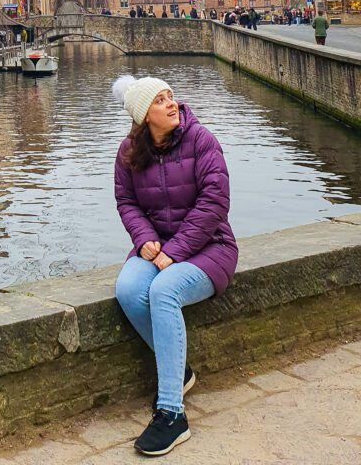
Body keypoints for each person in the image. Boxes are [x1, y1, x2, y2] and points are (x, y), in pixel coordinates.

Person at [112, 75, 238, 456]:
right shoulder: (128, 152)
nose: (172, 104)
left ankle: (172, 413)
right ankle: (178, 371)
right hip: (158, 248)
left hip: (210, 247)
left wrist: (175, 251)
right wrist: (144, 237)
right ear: (143, 117)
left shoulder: (202, 140)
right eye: (160, 101)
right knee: (129, 290)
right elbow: (126, 201)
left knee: (163, 291)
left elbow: (215, 202)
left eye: (171, 96)